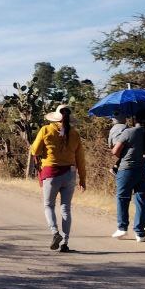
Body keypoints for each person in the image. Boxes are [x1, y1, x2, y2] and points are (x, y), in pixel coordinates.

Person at [29, 104, 87, 253]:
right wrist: (83, 179)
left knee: (48, 205)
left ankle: (55, 232)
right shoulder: (74, 133)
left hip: (51, 173)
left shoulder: (46, 130)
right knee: (65, 208)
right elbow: (80, 158)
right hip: (70, 173)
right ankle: (65, 242)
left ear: (56, 117)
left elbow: (35, 150)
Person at [111, 112, 145, 242]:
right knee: (142, 199)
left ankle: (122, 227)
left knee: (122, 197)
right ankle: (140, 233)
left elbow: (115, 151)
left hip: (127, 169)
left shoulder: (128, 132)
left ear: (134, 119)